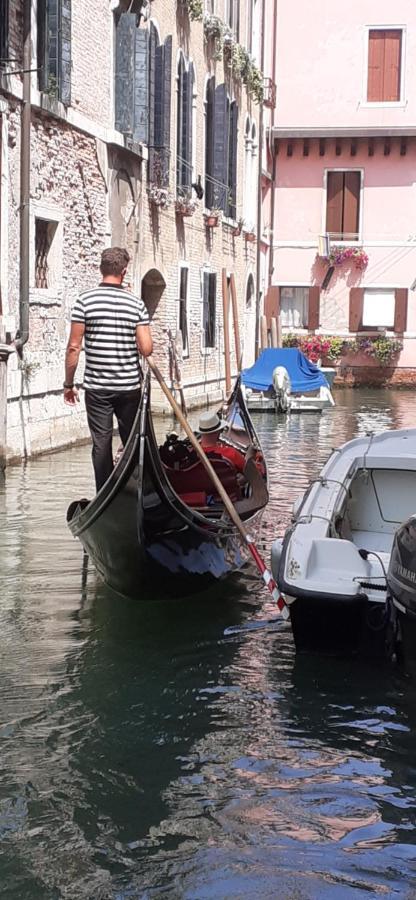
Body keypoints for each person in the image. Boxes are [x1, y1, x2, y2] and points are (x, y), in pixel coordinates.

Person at [64, 247, 153, 491]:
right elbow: (146, 349)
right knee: (134, 442)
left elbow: (74, 347)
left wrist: (68, 385)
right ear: (124, 272)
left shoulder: (84, 300)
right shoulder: (136, 304)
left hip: (97, 388)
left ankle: (104, 493)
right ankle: (138, 490)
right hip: (129, 387)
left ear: (100, 269)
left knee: (101, 443)